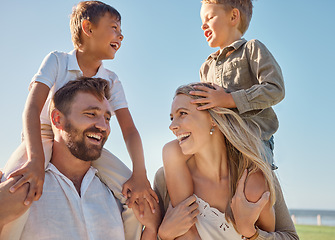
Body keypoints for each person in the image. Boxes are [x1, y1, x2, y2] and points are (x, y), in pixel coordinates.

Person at [2, 0, 157, 220]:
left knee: (134, 196)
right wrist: (36, 159)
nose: (121, 36)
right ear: (88, 28)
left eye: (121, 31)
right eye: (114, 28)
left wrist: (140, 174)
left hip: (88, 143)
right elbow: (32, 107)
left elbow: (129, 130)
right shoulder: (57, 60)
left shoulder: (111, 81)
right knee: (15, 188)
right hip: (44, 137)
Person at [164, 0, 285, 232]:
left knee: (255, 189)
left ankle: (254, 227)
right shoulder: (205, 68)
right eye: (201, 21)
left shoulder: (252, 49)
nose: (203, 26)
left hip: (254, 139)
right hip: (221, 142)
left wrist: (230, 100)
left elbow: (275, 88)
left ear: (233, 17)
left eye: (209, 18)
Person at [1, 78, 161, 240]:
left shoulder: (119, 197)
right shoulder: (19, 194)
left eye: (107, 118)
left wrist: (152, 231)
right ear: (57, 119)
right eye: (91, 114)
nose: (103, 126)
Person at [158, 83, 298, 239]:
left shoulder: (255, 179)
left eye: (182, 113)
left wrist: (251, 232)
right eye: (172, 118)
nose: (172, 126)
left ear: (213, 119)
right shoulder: (165, 178)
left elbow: (291, 236)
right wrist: (164, 235)